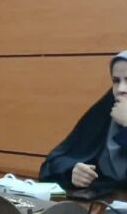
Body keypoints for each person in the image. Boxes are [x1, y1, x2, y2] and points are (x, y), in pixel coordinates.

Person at [40, 50, 127, 189]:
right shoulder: (106, 110)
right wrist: (72, 171)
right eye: (116, 81)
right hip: (102, 201)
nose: (121, 89)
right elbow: (54, 162)